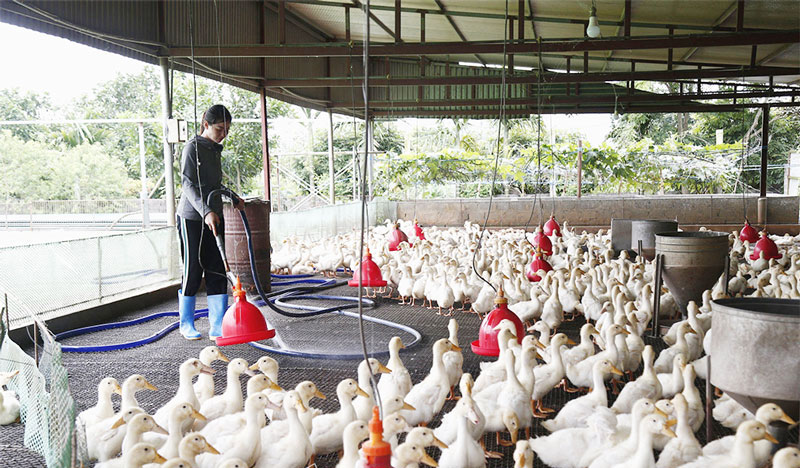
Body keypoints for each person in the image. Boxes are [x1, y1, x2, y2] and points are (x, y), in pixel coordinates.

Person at [176, 104, 244, 340]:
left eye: (226, 129)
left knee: (217, 269)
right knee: (193, 269)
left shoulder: (215, 149)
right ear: (206, 124)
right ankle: (186, 324)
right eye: (219, 128)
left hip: (214, 214)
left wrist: (232, 197)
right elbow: (188, 184)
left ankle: (218, 324)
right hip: (193, 217)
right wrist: (205, 212)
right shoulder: (192, 148)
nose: (223, 134)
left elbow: (213, 184)